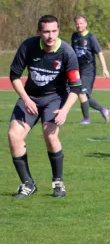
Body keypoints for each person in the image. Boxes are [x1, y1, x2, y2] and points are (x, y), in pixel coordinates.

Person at [8, 15, 82, 198]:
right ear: (39, 32)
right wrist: (25, 99)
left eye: (54, 31)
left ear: (58, 30)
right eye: (46, 31)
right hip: (30, 97)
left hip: (54, 99)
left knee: (49, 135)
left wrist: (64, 110)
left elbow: (76, 87)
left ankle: (58, 183)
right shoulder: (28, 46)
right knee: (14, 135)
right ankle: (27, 184)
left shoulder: (67, 52)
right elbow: (14, 76)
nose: (50, 35)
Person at [71, 15, 110, 124]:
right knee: (84, 95)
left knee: (82, 93)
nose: (79, 25)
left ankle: (86, 119)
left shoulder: (91, 38)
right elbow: (72, 53)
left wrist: (104, 68)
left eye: (81, 23)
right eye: (77, 23)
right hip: (77, 69)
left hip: (89, 70)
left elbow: (99, 53)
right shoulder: (74, 36)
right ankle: (103, 110)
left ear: (86, 24)